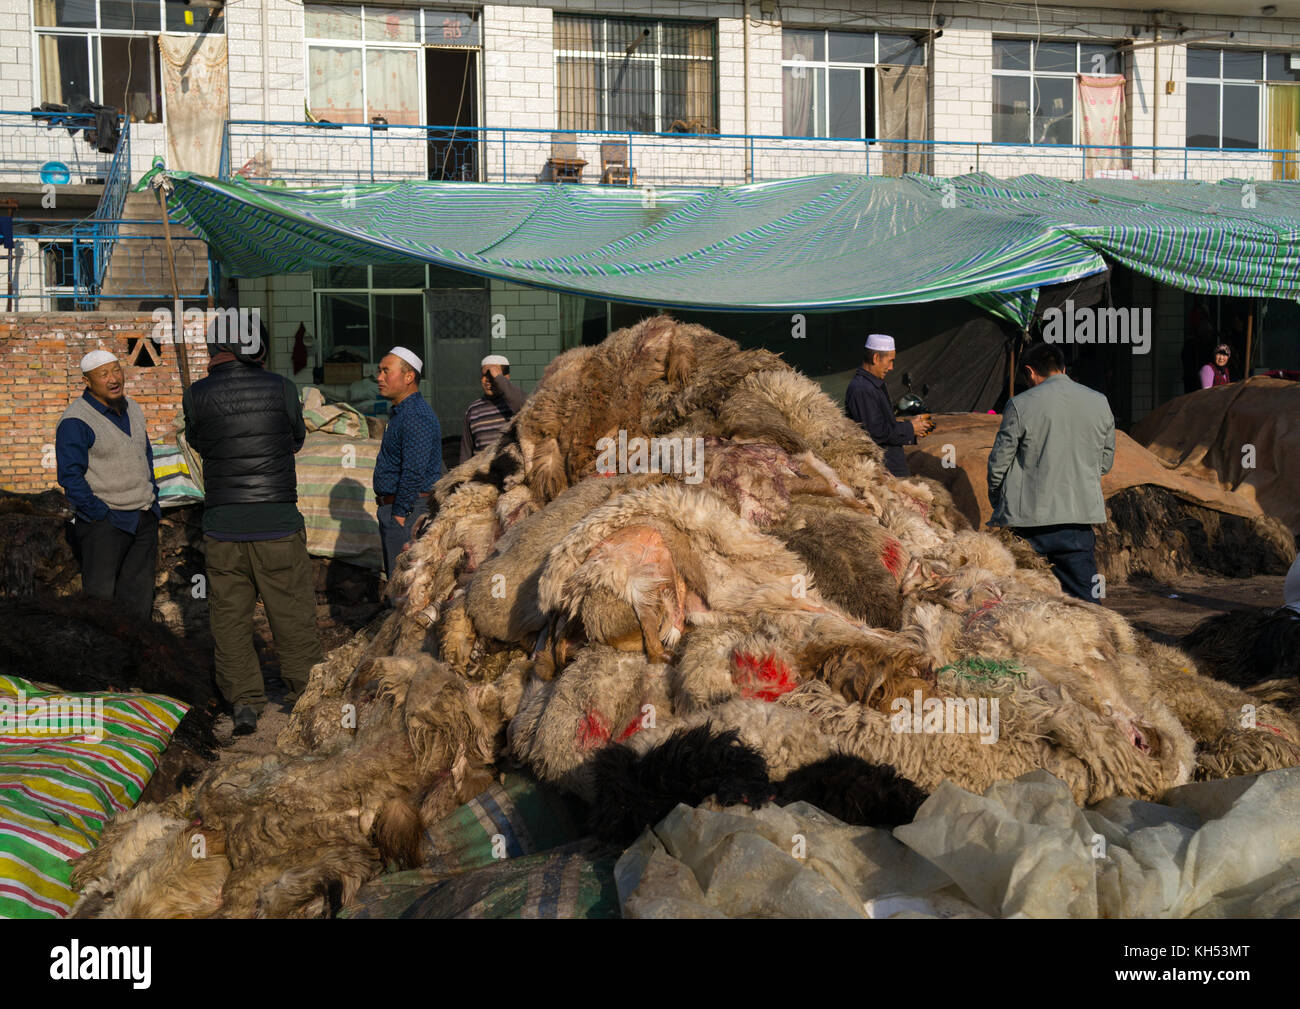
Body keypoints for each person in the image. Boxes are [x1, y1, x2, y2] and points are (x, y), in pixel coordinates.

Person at [184, 320, 322, 736]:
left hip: (223, 525)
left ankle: (244, 702)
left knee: (228, 618)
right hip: (276, 521)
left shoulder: (196, 395)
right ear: (256, 348)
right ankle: (306, 695)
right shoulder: (281, 388)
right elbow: (296, 438)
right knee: (292, 613)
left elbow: (199, 442)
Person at [987, 342, 1116, 602]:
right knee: (1086, 601)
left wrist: (997, 498)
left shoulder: (1020, 404)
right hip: (1078, 521)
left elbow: (999, 462)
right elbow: (1105, 462)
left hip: (1028, 522)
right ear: (1063, 368)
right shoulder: (1099, 401)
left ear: (1030, 372)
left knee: (1026, 599)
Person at [55, 349, 160, 621]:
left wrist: (153, 498)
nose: (113, 379)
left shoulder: (132, 407)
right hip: (106, 522)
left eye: (116, 370)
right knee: (100, 603)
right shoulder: (75, 421)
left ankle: (138, 659)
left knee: (139, 600)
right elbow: (70, 476)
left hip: (143, 515)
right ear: (87, 381)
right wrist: (99, 513)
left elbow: (144, 453)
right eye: (103, 374)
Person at [373, 346, 442, 580]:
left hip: (408, 512)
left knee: (405, 589)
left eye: (385, 371)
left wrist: (400, 516)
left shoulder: (415, 415)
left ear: (409, 376)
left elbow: (413, 470)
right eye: (379, 371)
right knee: (400, 586)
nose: (379, 377)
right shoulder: (402, 413)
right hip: (400, 510)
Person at [845, 333, 933, 477]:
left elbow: (880, 423)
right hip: (884, 473)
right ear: (876, 358)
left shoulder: (871, 385)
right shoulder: (862, 389)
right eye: (890, 361)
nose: (891, 367)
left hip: (890, 468)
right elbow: (876, 432)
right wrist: (910, 428)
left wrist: (909, 424)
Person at [460, 353, 526, 461]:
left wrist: (499, 379)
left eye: (492, 376)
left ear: (505, 378)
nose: (487, 380)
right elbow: (466, 453)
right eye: (484, 376)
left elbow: (526, 405)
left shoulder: (515, 405)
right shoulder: (473, 410)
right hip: (481, 475)